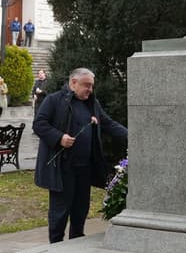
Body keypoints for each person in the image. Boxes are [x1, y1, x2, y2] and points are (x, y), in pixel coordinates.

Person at [33, 67, 128, 243]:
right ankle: (55, 245)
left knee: (81, 208)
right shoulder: (54, 100)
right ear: (73, 83)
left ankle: (76, 241)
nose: (90, 90)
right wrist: (59, 138)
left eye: (91, 86)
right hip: (62, 168)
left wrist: (133, 136)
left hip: (84, 168)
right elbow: (39, 124)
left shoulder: (92, 103)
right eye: (87, 85)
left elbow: (108, 124)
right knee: (60, 211)